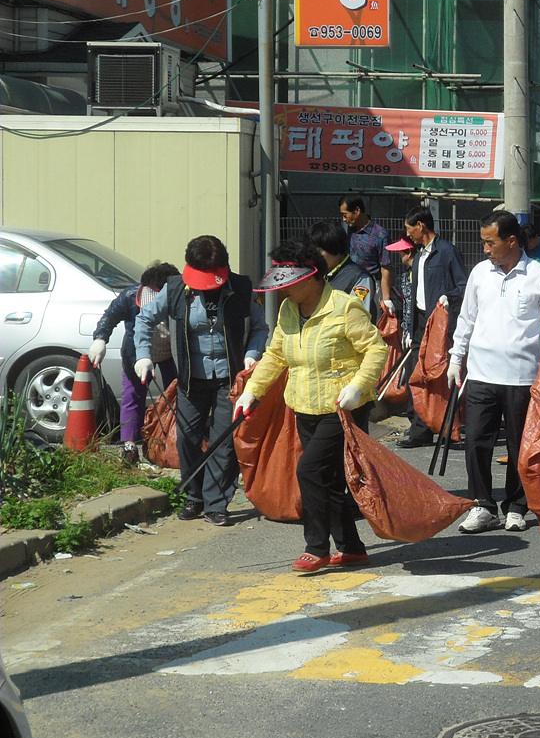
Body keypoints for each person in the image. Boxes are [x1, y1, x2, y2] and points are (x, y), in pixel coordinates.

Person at [235, 240, 388, 572]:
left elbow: (376, 350)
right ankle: (351, 548)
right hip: (304, 403)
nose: (284, 291)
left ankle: (316, 547)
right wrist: (252, 391)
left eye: (289, 284)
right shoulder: (289, 310)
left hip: (342, 406)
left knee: (309, 471)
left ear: (312, 277)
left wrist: (357, 386)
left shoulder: (346, 308)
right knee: (329, 478)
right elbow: (275, 354)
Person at [448, 212, 540, 533]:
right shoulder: (480, 273)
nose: (485, 248)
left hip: (522, 378)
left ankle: (517, 506)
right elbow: (466, 319)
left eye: (490, 242)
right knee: (477, 442)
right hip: (480, 375)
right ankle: (483, 506)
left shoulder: (539, 275)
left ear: (511, 241)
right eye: (484, 242)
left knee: (520, 445)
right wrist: (455, 358)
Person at [134, 236, 268, 525]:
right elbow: (144, 320)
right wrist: (142, 355)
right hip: (191, 380)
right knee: (187, 439)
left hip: (228, 380)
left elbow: (260, 326)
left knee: (224, 441)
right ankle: (194, 497)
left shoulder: (242, 289)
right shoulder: (174, 289)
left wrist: (252, 354)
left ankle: (217, 503)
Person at [89, 261, 180, 465]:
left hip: (169, 355)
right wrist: (100, 339)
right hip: (136, 355)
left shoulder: (181, 297)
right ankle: (129, 446)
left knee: (176, 398)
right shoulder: (130, 297)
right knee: (133, 398)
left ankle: (174, 441)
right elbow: (109, 318)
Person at [397, 206, 468, 448]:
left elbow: (462, 286)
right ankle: (420, 431)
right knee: (418, 377)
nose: (408, 235)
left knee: (442, 379)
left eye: (409, 229)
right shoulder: (419, 256)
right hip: (420, 325)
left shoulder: (447, 252)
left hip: (441, 327)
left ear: (421, 226)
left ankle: (449, 430)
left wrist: (448, 298)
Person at [308, 218, 376, 320]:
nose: (314, 257)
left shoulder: (359, 278)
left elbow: (359, 320)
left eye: (319, 251)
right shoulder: (318, 274)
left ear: (335, 248)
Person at [338, 194, 392, 307]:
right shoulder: (349, 230)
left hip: (370, 285)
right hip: (350, 281)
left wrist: (386, 299)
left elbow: (385, 268)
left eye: (345, 215)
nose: (344, 219)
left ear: (357, 210)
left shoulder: (380, 235)